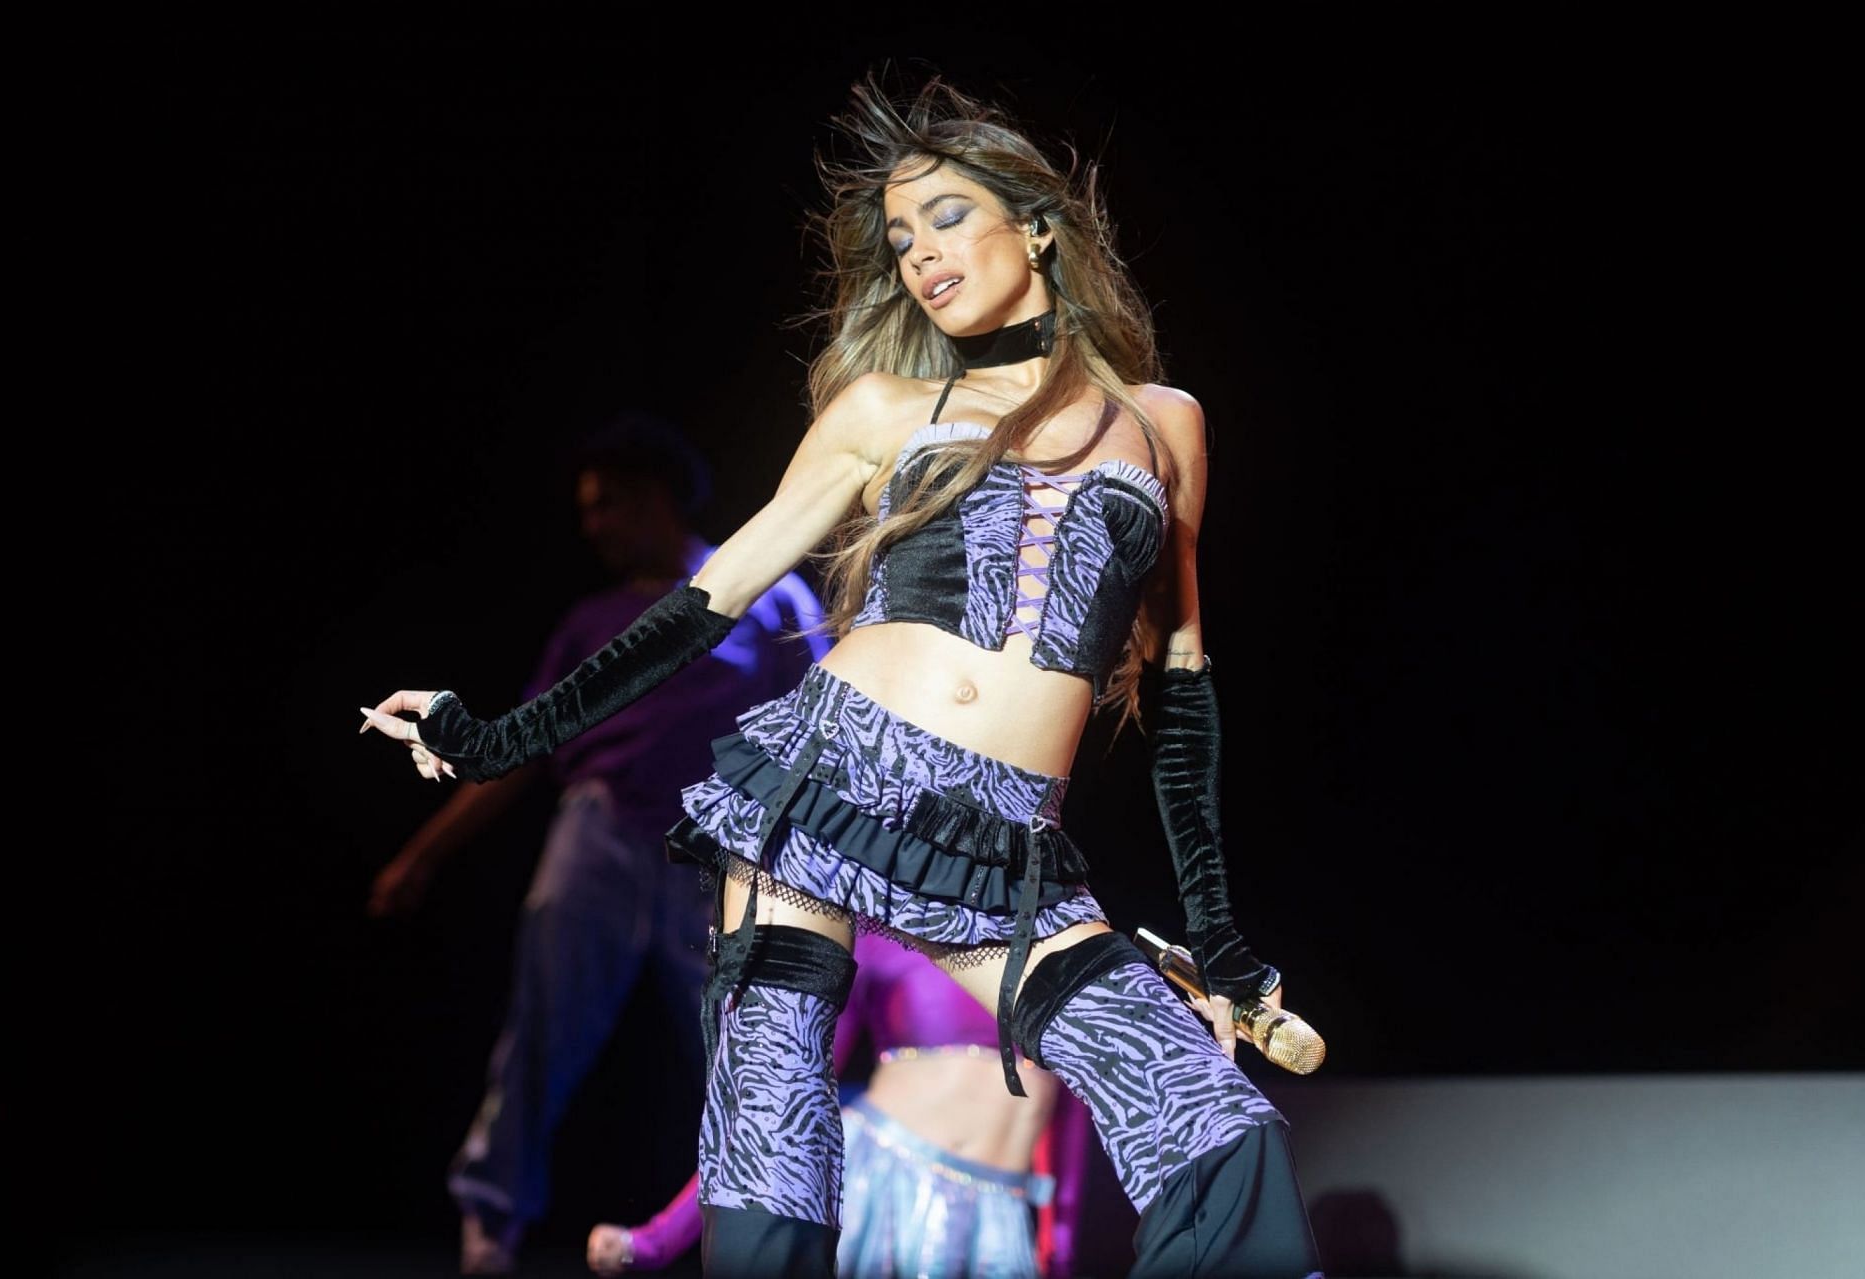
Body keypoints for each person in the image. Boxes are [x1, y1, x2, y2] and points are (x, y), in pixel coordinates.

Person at [364, 78, 1322, 1277]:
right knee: (772, 1148)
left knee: (1213, 1132)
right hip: (825, 777)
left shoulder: (1164, 423)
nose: (921, 255)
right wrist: (501, 736)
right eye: (902, 239)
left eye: (948, 217)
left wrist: (1220, 940)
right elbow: (699, 607)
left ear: (1035, 226)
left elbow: (1180, 691)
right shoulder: (883, 409)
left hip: (1004, 842)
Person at [367, 413, 828, 1273]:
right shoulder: (593, 620)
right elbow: (518, 748)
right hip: (602, 837)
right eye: (587, 509)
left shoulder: (766, 592)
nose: (594, 526)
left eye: (609, 505)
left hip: (717, 852)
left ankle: (749, 1230)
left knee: (743, 1046)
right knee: (544, 1027)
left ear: (658, 499)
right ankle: (491, 1218)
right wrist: (421, 853)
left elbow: (830, 729)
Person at [583, 931, 1095, 1277]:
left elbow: (1071, 1102)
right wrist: (654, 1242)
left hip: (998, 1212)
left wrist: (1059, 1244)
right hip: (880, 1189)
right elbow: (775, 1117)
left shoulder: (1055, 939)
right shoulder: (887, 934)